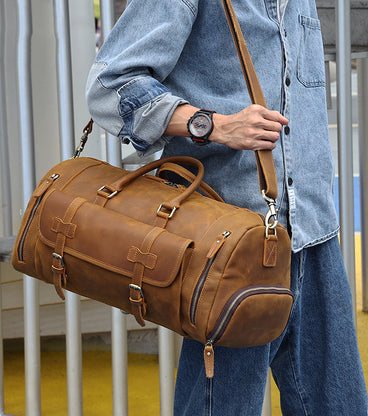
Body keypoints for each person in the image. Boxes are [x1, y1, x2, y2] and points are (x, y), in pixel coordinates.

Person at [86, 0, 368, 414]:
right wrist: (213, 124)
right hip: (231, 247)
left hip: (312, 232)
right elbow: (110, 86)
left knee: (339, 406)